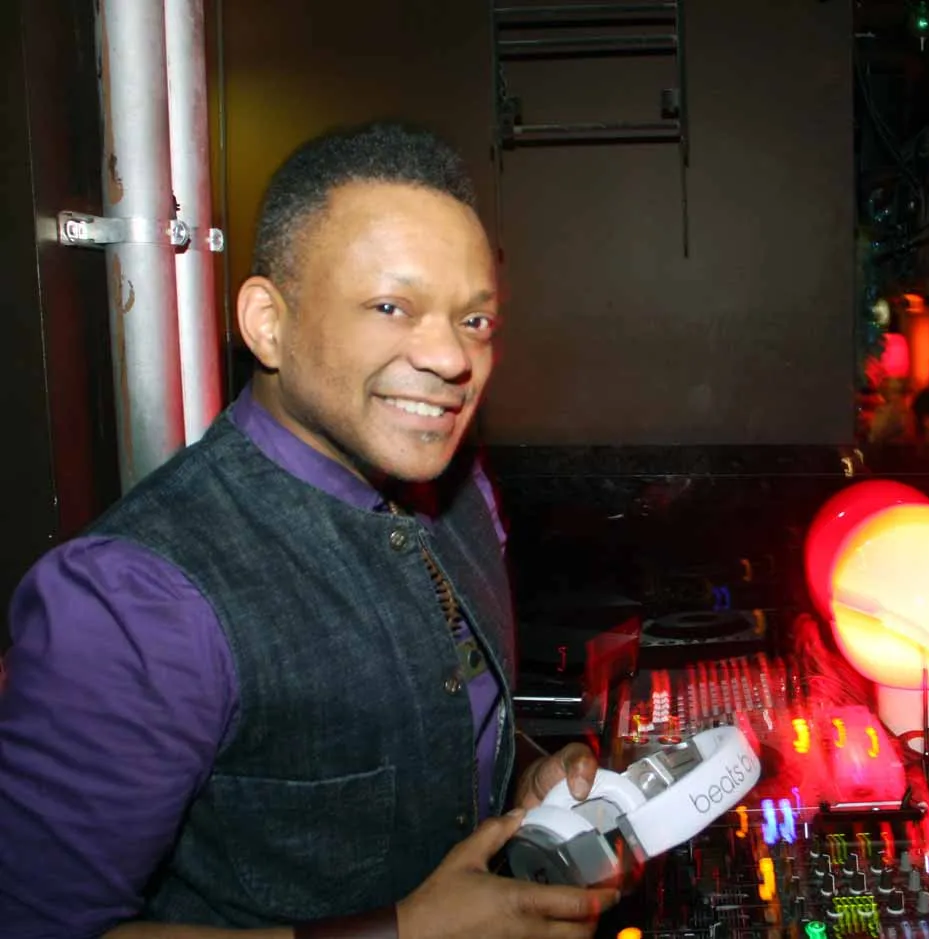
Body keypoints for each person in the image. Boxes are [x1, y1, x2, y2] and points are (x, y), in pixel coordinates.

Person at [0, 123, 619, 939]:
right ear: (268, 323)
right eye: (391, 307)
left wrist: (526, 780)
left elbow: (414, 733)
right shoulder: (135, 596)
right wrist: (402, 933)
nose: (452, 359)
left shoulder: (462, 491)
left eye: (475, 321)